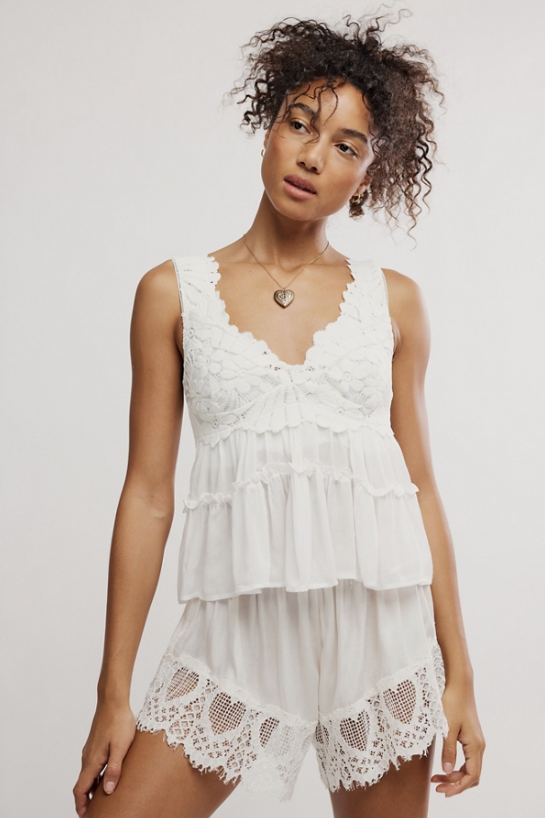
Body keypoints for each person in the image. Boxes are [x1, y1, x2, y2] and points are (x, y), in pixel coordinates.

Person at [73, 11, 486, 818]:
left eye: (345, 146)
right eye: (299, 124)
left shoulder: (393, 301)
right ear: (268, 129)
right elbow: (149, 494)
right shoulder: (172, 291)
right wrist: (113, 693)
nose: (311, 154)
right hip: (237, 639)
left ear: (366, 175)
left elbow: (420, 491)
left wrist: (458, 673)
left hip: (382, 639)